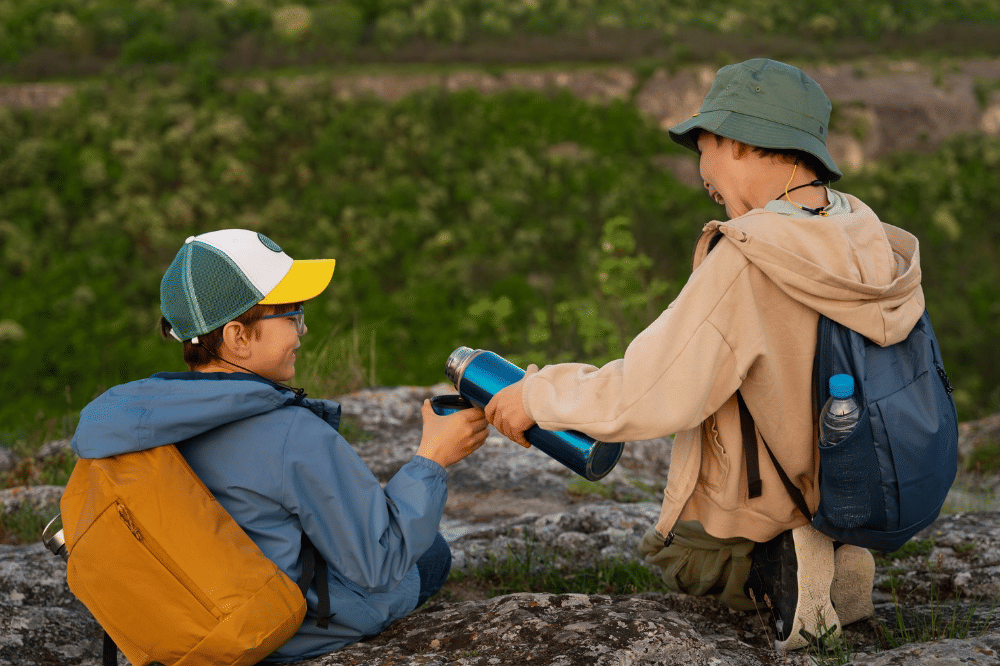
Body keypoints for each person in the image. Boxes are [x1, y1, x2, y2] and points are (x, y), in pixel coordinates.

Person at [484, 58, 923, 650]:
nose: (703, 173)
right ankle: (836, 554)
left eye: (704, 148)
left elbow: (649, 388)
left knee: (680, 558)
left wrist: (535, 395)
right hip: (861, 476)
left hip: (783, 489)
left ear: (737, 143)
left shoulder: (749, 258)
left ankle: (786, 566)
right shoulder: (867, 232)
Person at [70, 229, 489, 663]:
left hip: (181, 620)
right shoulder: (292, 434)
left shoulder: (131, 421)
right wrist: (432, 458)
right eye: (292, 314)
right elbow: (379, 565)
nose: (303, 329)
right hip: (271, 630)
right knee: (432, 552)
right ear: (238, 336)